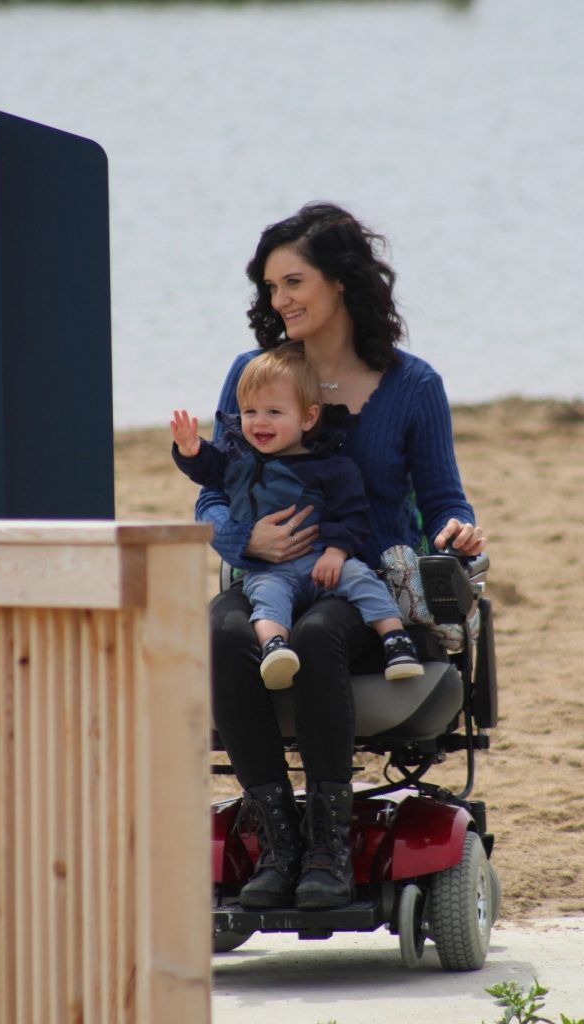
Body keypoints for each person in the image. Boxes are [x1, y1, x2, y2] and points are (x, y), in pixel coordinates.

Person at [195, 202, 486, 912]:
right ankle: (278, 839)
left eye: (293, 282)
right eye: (269, 287)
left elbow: (445, 497)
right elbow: (212, 495)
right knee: (222, 629)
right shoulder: (253, 375)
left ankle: (327, 844)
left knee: (321, 631)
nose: (279, 300)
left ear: (341, 282)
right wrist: (242, 540)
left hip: (362, 584)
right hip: (266, 574)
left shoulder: (412, 386)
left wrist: (460, 531)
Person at [170, 343, 424, 688]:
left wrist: (336, 552)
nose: (259, 422)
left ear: (308, 417)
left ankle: (395, 641)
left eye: (274, 412)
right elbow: (209, 473)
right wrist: (191, 451)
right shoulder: (236, 458)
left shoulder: (329, 466)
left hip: (321, 562)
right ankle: (275, 648)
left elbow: (351, 512)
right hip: (269, 568)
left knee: (362, 580)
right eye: (250, 411)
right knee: (265, 600)